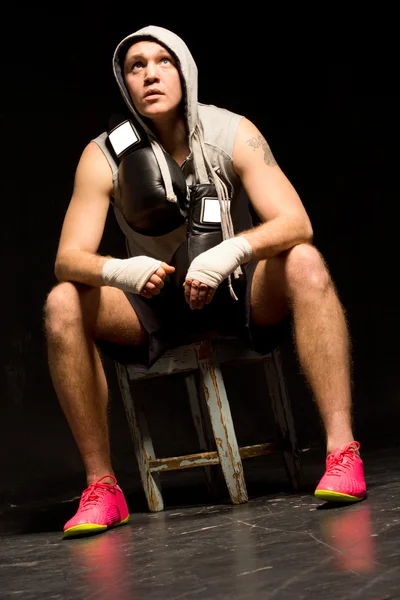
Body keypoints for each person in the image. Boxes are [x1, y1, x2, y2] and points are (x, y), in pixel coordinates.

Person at [44, 25, 367, 539]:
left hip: (234, 289)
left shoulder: (232, 131)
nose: (150, 73)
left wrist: (230, 252)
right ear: (123, 83)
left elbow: (296, 223)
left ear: (185, 70)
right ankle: (101, 486)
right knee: (63, 302)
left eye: (162, 62)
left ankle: (341, 451)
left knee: (305, 261)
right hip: (151, 299)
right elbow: (67, 259)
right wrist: (121, 270)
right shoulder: (104, 153)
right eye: (135, 66)